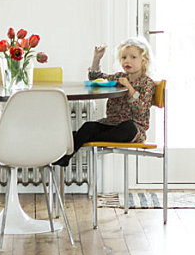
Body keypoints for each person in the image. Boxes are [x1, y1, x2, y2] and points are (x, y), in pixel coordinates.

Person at [54, 37, 156, 167]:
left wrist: (129, 88)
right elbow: (96, 79)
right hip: (111, 124)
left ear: (144, 60)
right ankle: (67, 156)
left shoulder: (147, 83)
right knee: (89, 126)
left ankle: (79, 138)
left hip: (134, 129)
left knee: (128, 128)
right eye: (124, 57)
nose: (127, 61)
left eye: (133, 57)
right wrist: (97, 59)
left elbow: (141, 109)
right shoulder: (119, 77)